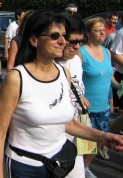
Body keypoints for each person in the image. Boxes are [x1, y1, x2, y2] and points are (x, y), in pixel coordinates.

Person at [0, 11, 123, 178]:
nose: (63, 41)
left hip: (60, 161)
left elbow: (67, 123)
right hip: (26, 165)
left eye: (63, 35)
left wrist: (103, 137)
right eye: (54, 36)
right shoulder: (17, 78)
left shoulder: (64, 74)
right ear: (34, 40)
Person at [80, 17, 114, 176]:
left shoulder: (106, 52)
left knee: (98, 143)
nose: (102, 33)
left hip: (104, 108)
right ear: (87, 32)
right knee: (84, 145)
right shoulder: (80, 53)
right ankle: (77, 170)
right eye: (97, 30)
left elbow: (108, 77)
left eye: (103, 30)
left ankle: (85, 168)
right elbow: (71, 78)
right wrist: (79, 96)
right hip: (86, 109)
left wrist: (119, 88)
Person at [57, 14, 88, 178]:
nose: (77, 46)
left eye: (81, 42)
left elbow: (76, 88)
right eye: (73, 41)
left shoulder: (76, 60)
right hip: (52, 141)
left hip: (73, 136)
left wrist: (80, 97)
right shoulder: (48, 64)